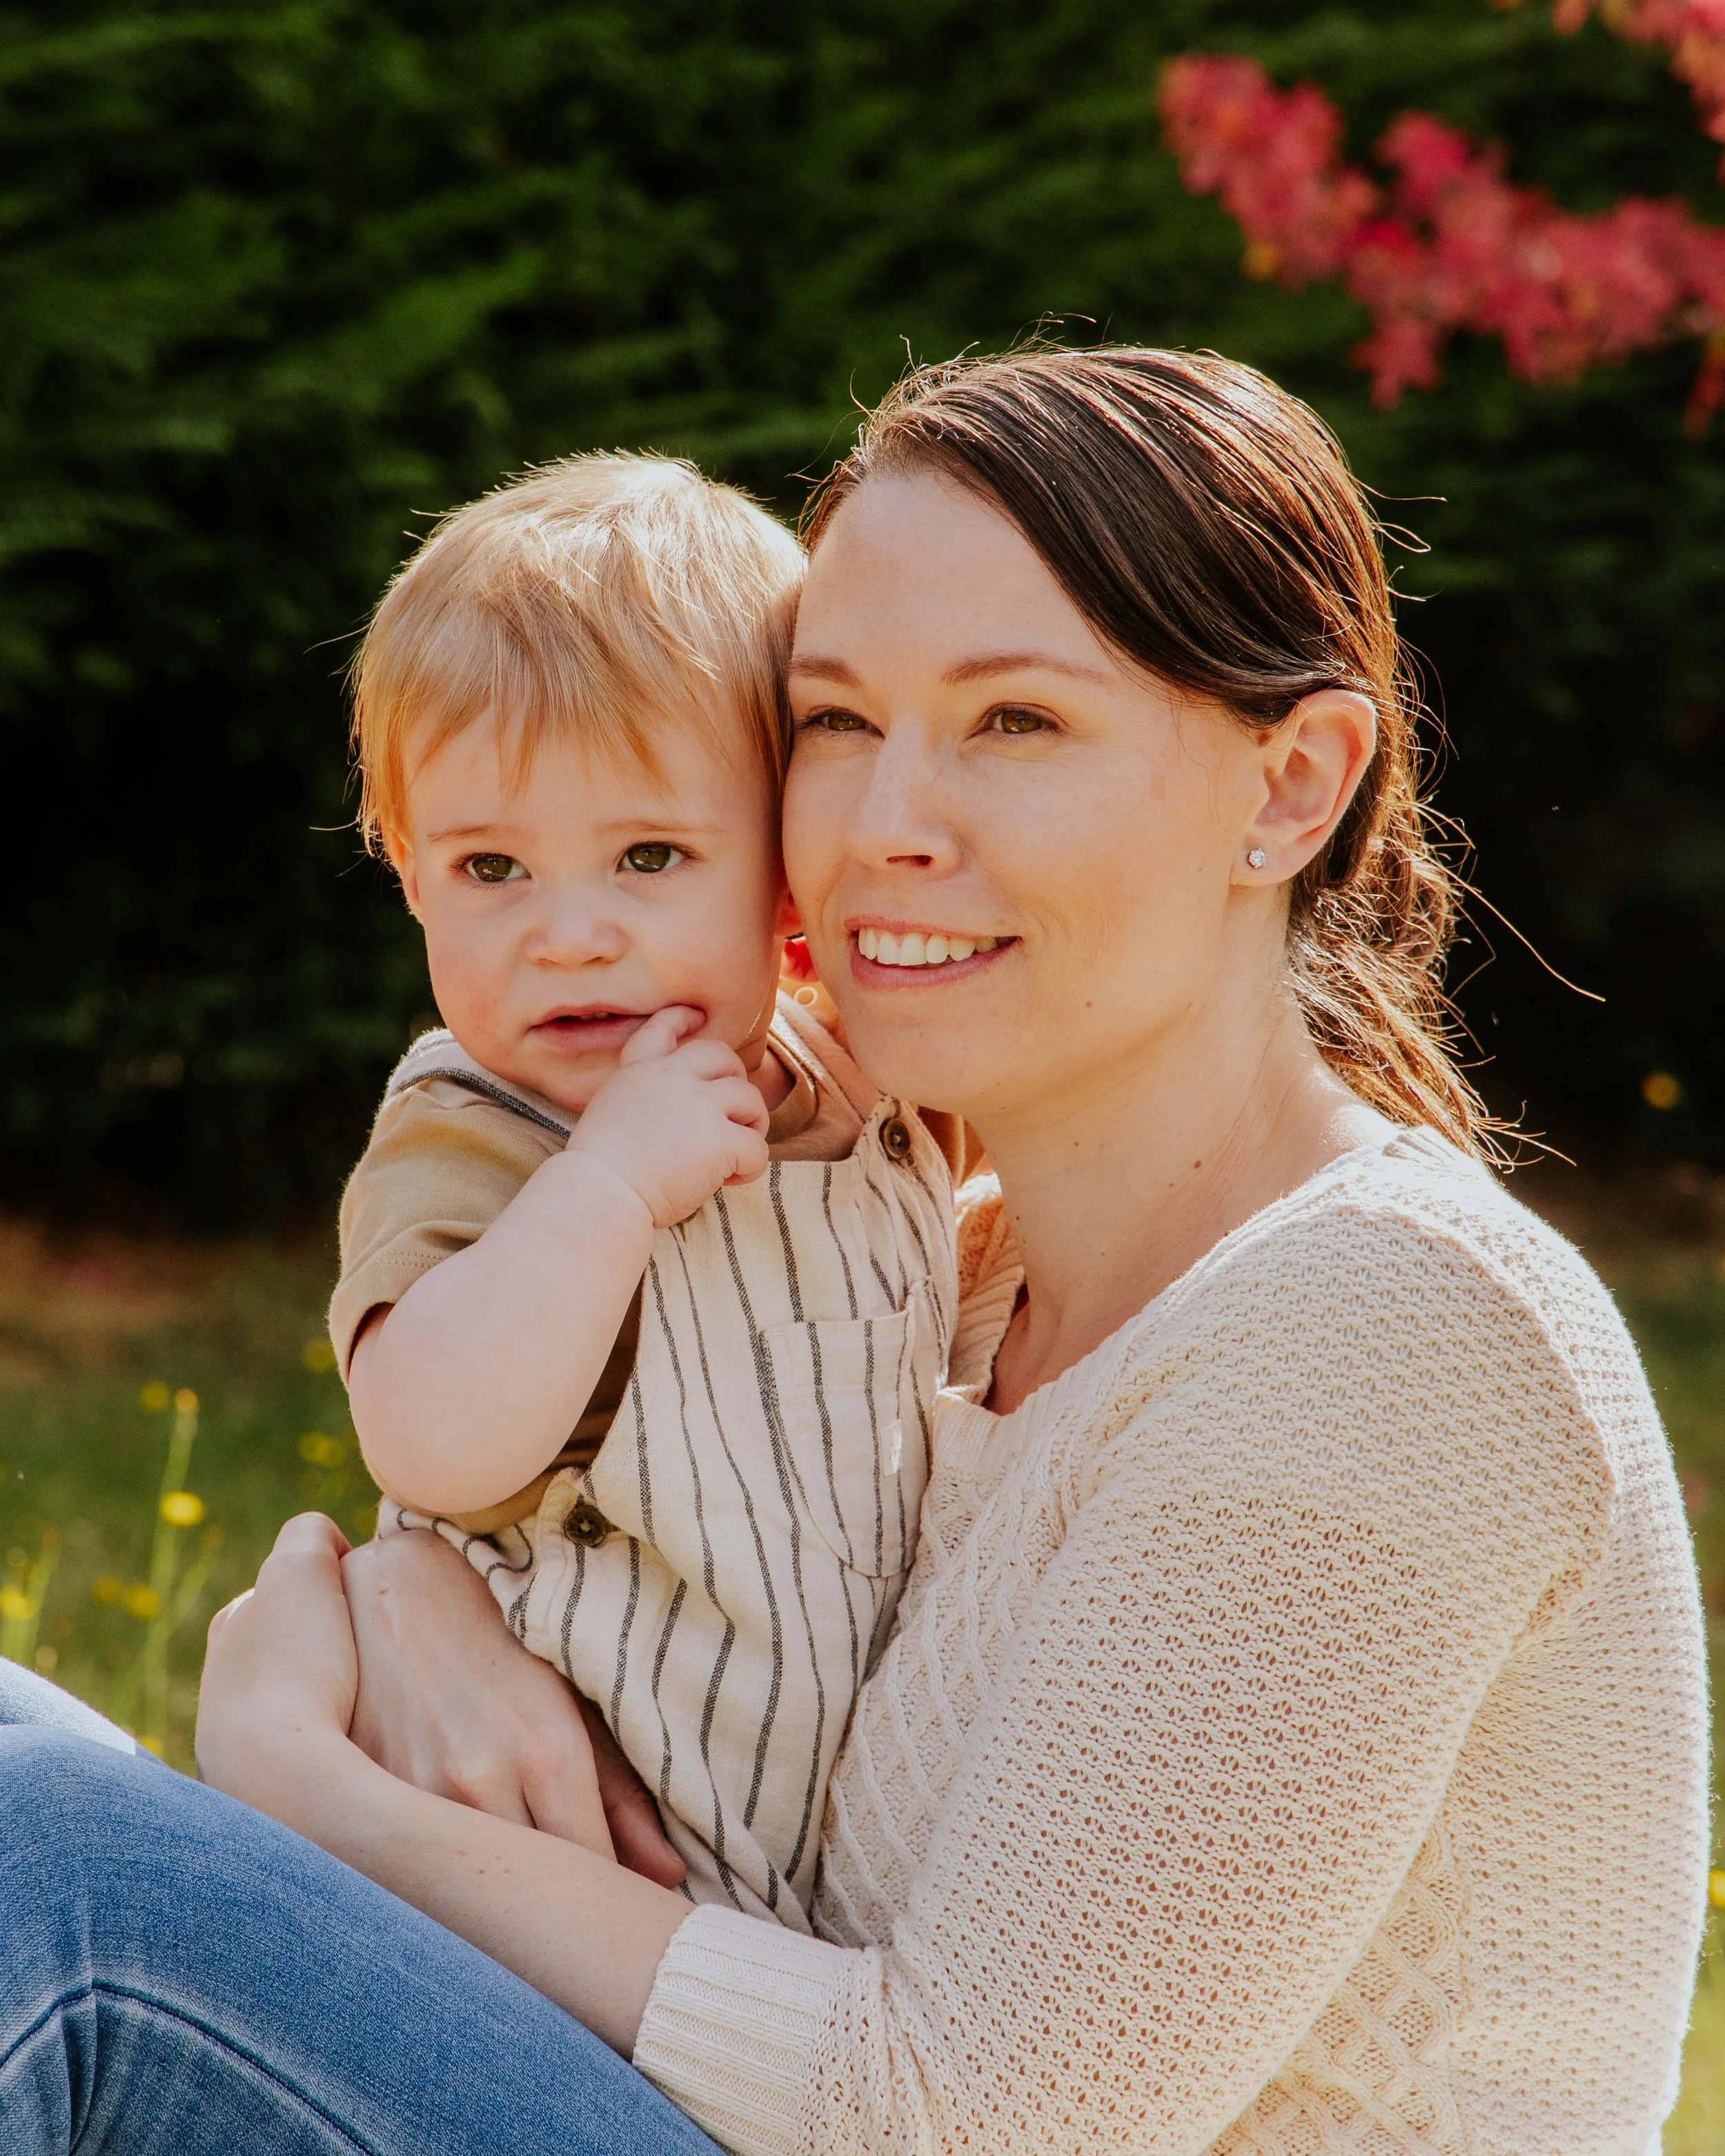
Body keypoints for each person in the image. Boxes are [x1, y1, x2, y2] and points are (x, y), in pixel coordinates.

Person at [0, 346, 1706, 2156]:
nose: (884, 824)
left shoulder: (1381, 1328)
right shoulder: (924, 1268)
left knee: (55, 1864)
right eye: (832, 722)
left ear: (1287, 787)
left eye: (1012, 721)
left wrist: (326, 1792)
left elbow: (968, 2120)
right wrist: (410, 1596)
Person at [332, 451, 963, 1923]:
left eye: (648, 855)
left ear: (786, 870)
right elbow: (427, 1440)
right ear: (411, 872)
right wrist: (606, 1187)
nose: (567, 934)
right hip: (517, 1875)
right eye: (491, 868)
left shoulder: (855, 1085)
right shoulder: (477, 1134)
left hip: (790, 1889)